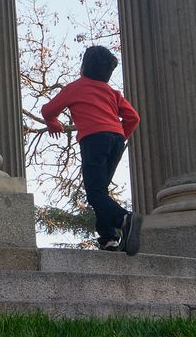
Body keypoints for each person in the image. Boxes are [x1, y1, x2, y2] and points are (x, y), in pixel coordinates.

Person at [39, 44, 141, 254]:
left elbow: (48, 110)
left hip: (94, 140)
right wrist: (119, 137)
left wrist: (52, 122)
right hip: (116, 140)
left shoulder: (76, 87)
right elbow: (133, 117)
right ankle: (108, 239)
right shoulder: (112, 92)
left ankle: (124, 218)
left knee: (94, 193)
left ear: (83, 67)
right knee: (101, 191)